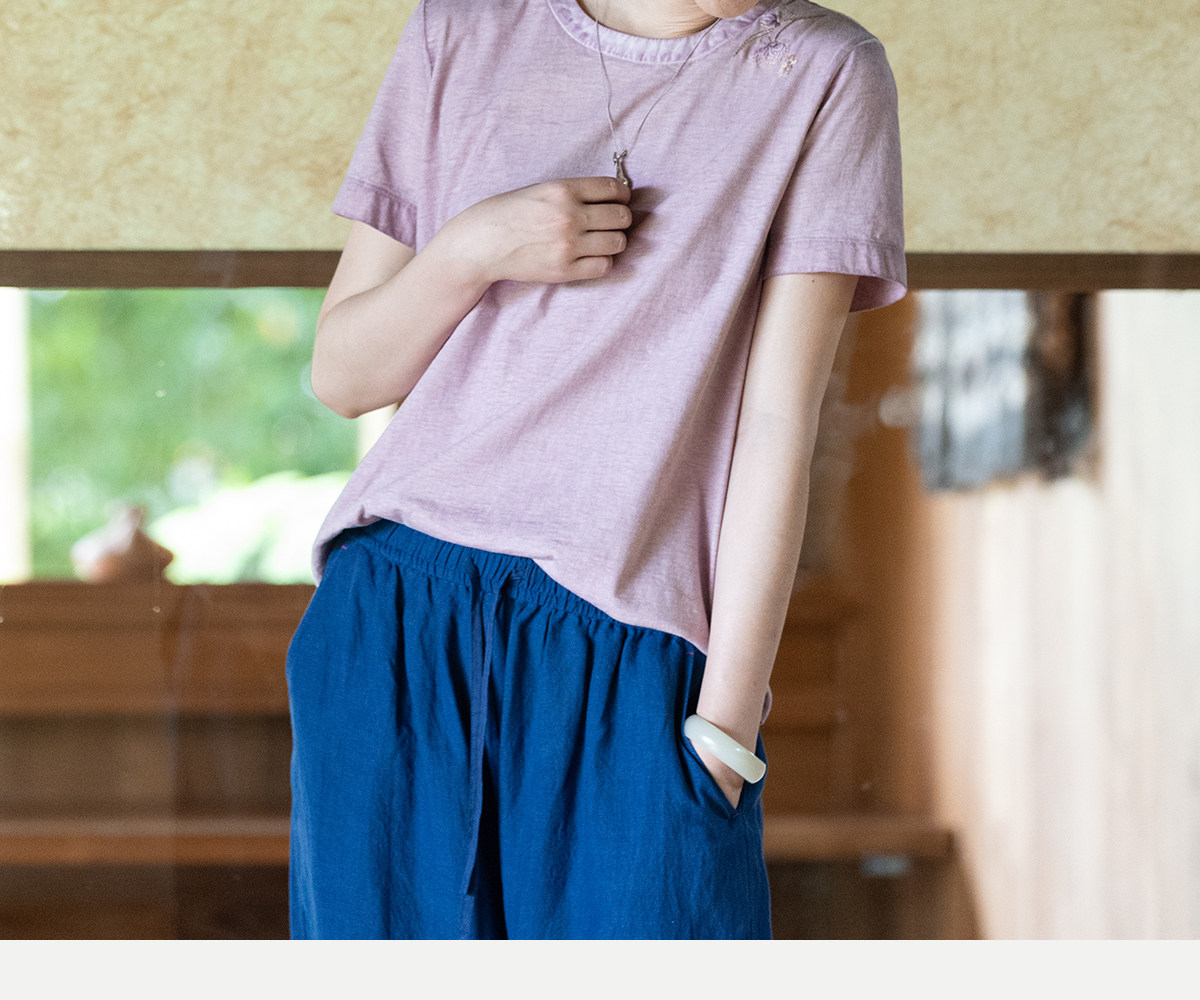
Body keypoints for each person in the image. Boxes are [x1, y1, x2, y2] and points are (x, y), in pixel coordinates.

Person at [286, 0, 906, 939]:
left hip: (636, 643)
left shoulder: (824, 73)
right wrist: (473, 249)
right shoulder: (462, 29)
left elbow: (779, 422)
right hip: (399, 619)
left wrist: (727, 730)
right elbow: (344, 375)